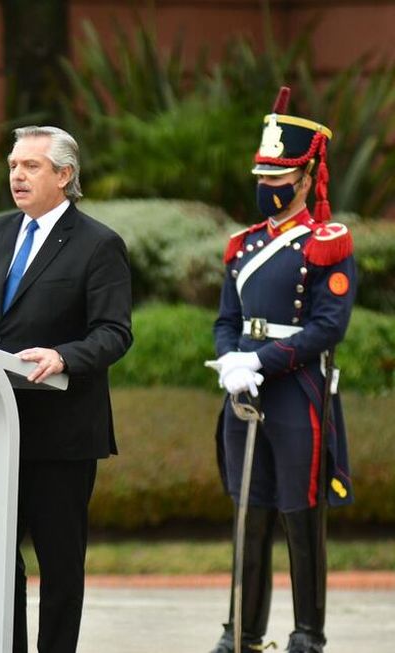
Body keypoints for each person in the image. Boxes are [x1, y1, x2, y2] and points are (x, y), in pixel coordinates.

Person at [0, 125, 133, 653]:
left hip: (60, 433)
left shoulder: (98, 244)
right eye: (14, 166)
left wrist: (64, 355)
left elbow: (114, 332)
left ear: (64, 175)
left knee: (59, 566)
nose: (17, 176)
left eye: (31, 166)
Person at [209, 93, 356, 653]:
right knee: (249, 514)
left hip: (296, 389)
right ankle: (241, 632)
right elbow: (227, 318)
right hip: (243, 390)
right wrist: (229, 359)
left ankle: (307, 634)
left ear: (306, 177)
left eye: (278, 175)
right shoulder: (242, 245)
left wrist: (260, 360)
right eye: (262, 175)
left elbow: (327, 327)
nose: (267, 184)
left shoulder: (326, 243)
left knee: (300, 513)